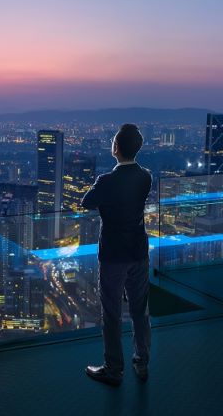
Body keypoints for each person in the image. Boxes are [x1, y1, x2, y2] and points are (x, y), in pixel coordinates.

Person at [81, 123, 152, 386]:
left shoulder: (107, 181)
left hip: (113, 255)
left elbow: (86, 202)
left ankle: (113, 368)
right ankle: (142, 363)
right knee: (139, 309)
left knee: (111, 312)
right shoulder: (146, 177)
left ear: (116, 148)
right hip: (138, 251)